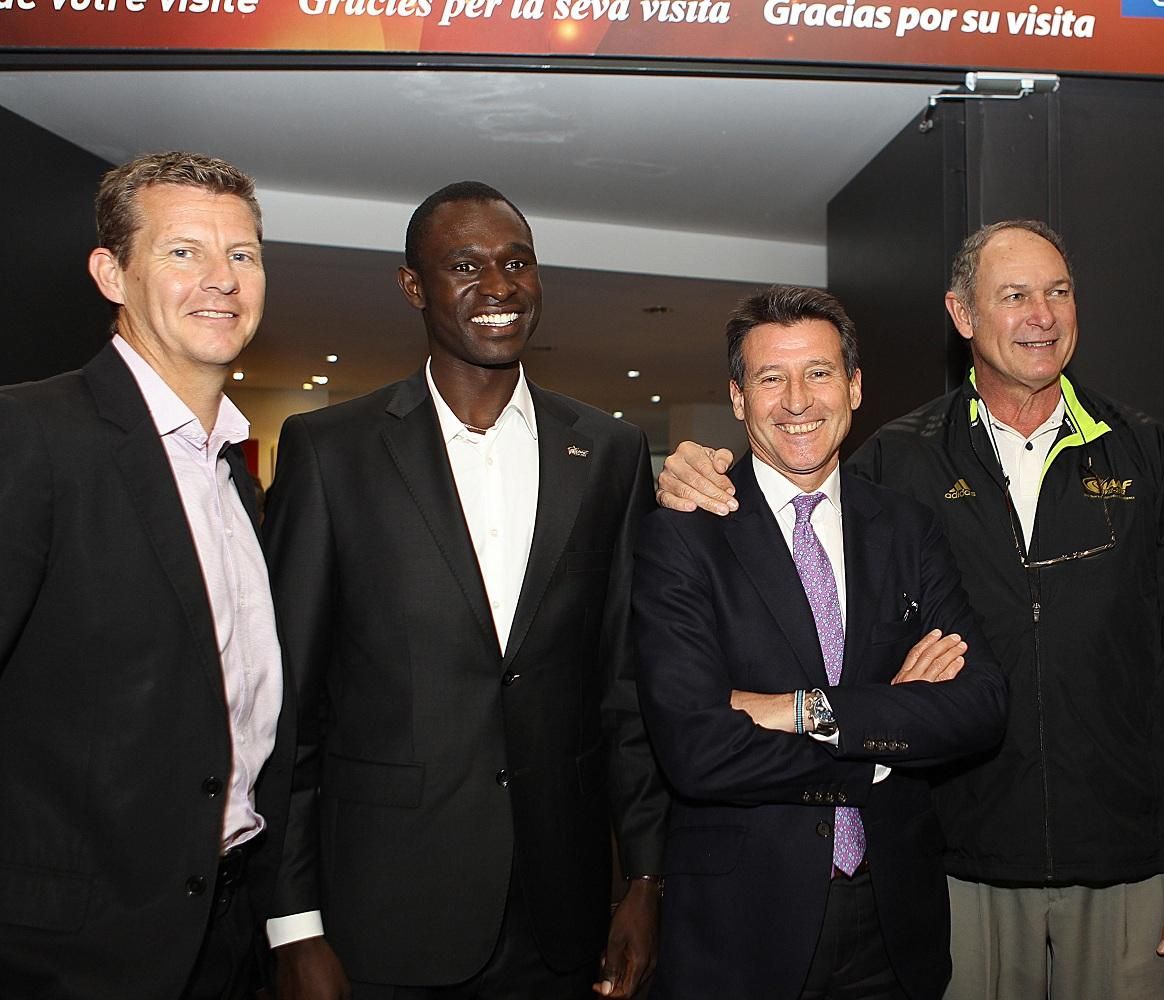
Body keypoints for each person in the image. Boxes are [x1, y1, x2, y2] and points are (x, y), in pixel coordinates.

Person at [656, 222, 1164, 999]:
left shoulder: (1146, 453)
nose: (1043, 314)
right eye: (1014, 295)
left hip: (1128, 862)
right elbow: (791, 490)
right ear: (961, 315)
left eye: (1058, 292)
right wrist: (691, 469)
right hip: (957, 866)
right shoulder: (901, 462)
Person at [263, 181, 667, 1000]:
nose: (499, 286)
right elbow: (290, 706)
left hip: (562, 912)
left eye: (517, 262)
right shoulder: (330, 452)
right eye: (465, 265)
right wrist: (294, 923)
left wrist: (645, 880)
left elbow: (626, 686)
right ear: (414, 287)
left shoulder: (610, 452)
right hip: (385, 912)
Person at [634, 286, 1010, 1000]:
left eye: (819, 372)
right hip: (744, 930)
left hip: (894, 921)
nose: (798, 400)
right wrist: (877, 746)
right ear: (739, 399)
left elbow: (982, 703)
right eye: (772, 378)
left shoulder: (906, 527)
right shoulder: (683, 536)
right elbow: (696, 749)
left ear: (855, 387)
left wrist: (802, 708)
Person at [0, 151, 287, 999]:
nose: (221, 280)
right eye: (182, 252)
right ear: (111, 273)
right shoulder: (30, 437)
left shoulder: (236, 477)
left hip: (227, 932)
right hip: (67, 953)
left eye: (242, 254)